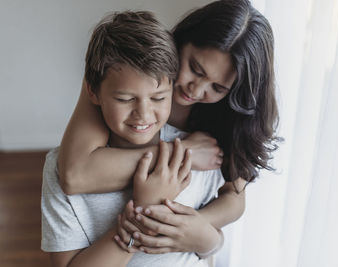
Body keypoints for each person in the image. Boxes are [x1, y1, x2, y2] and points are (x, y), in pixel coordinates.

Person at [57, 0, 280, 257]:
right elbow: (75, 175)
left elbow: (235, 198)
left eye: (217, 88)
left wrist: (192, 230)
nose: (195, 90)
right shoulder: (131, 75)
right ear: (182, 40)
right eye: (195, 69)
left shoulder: (231, 112)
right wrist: (184, 153)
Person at [41, 11, 224, 267]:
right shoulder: (58, 169)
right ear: (92, 92)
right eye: (125, 99)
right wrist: (143, 209)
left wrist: (209, 240)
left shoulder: (199, 153)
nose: (144, 114)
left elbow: (210, 247)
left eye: (159, 98)